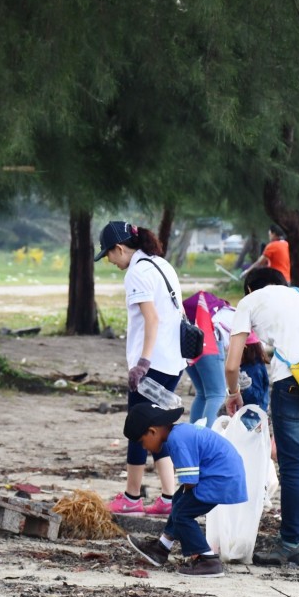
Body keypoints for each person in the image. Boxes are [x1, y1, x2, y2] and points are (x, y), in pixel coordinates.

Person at [224, 268, 299, 568]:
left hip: (293, 382)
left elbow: (231, 363)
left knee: (292, 468)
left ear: (251, 288)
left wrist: (233, 392)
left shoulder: (250, 301)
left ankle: (291, 544)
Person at [95, 221, 187, 517]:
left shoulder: (136, 272)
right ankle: (169, 497)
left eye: (109, 255)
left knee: (137, 429)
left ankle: (132, 497)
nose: (110, 261)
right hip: (174, 361)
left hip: (153, 365)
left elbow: (152, 319)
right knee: (157, 428)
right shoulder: (162, 265)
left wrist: (142, 364)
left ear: (119, 248)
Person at [123, 402, 247, 578]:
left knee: (182, 513)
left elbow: (190, 481)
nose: (145, 448)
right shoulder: (179, 432)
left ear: (152, 431)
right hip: (223, 476)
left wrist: (184, 499)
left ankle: (208, 560)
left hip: (220, 479)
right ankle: (162, 547)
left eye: (142, 443)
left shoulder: (176, 440)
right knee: (177, 501)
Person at [182, 291, 230, 424]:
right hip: (207, 337)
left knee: (203, 393)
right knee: (217, 394)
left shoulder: (228, 312)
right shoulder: (247, 319)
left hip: (186, 336)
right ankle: (206, 440)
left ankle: (195, 438)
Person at [238, 333, 269, 412]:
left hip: (251, 415)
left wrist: (245, 387)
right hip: (249, 412)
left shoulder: (254, 369)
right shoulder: (249, 366)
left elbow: (257, 396)